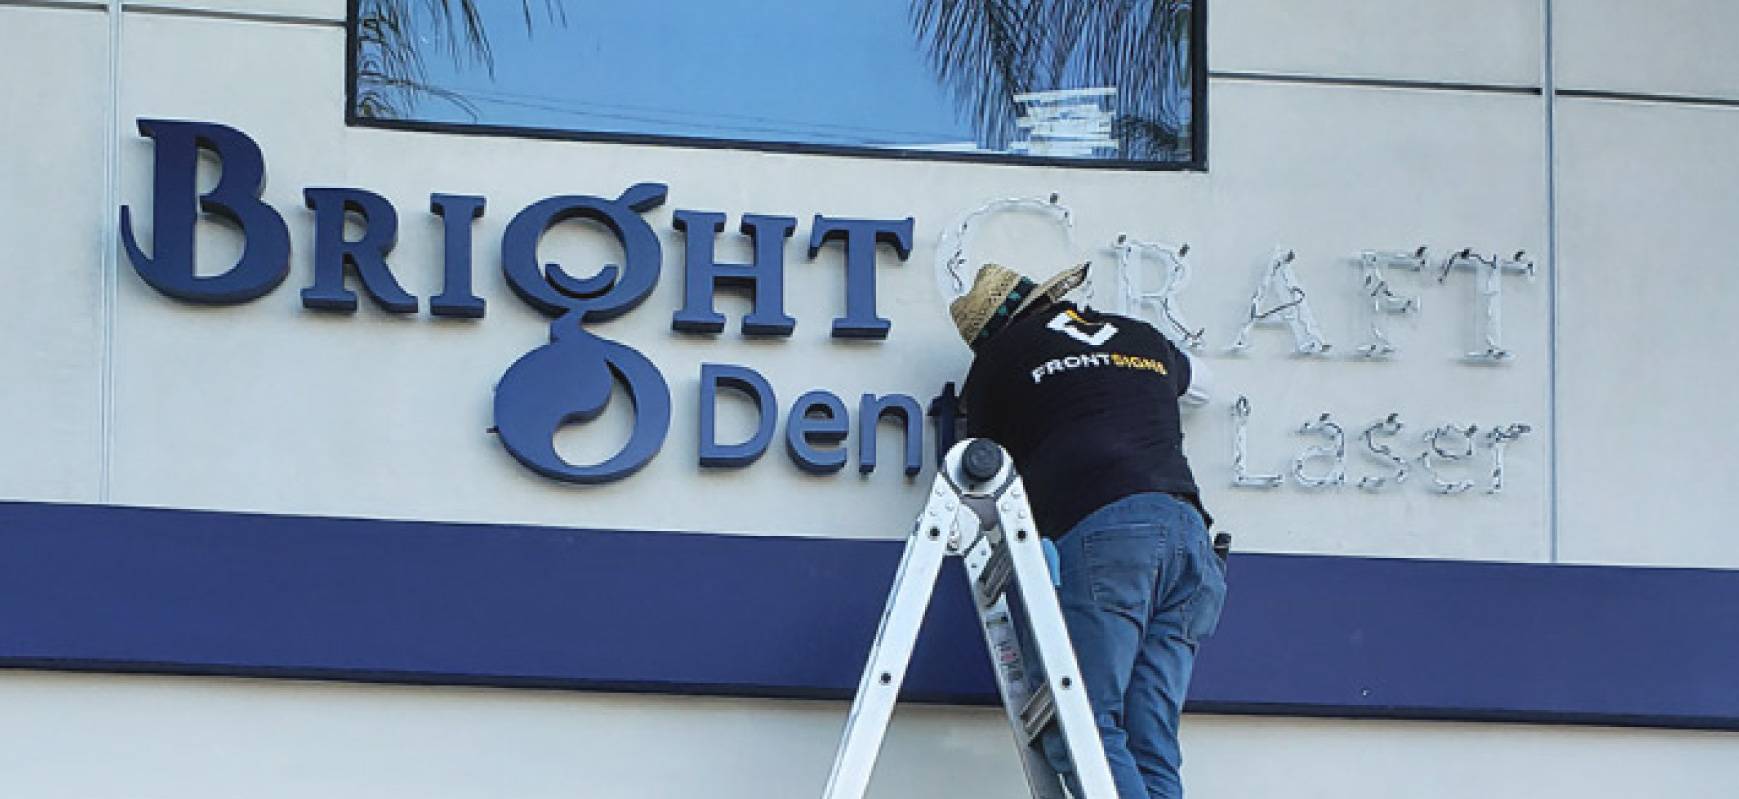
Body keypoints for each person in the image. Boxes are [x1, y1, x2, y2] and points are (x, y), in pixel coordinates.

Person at [952, 262, 1226, 799]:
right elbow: (1205, 387)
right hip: (1189, 536)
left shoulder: (998, 363)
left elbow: (984, 475)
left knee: (1084, 729)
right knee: (1151, 741)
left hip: (1106, 536)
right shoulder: (1139, 335)